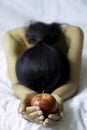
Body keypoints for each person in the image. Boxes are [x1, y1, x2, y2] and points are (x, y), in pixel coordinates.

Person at [3, 21, 83, 126]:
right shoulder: (12, 38)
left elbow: (73, 80)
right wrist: (28, 95)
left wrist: (57, 95)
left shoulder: (72, 34)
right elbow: (16, 83)